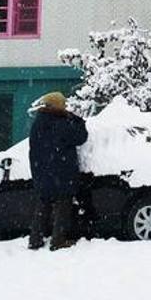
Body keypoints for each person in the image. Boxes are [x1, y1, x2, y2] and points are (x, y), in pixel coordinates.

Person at [26, 92, 88, 251]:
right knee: (63, 207)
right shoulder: (61, 123)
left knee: (43, 206)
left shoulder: (38, 123)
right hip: (61, 172)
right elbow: (81, 137)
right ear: (57, 106)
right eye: (64, 105)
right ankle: (58, 241)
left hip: (41, 171)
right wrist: (77, 120)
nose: (66, 107)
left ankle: (35, 240)